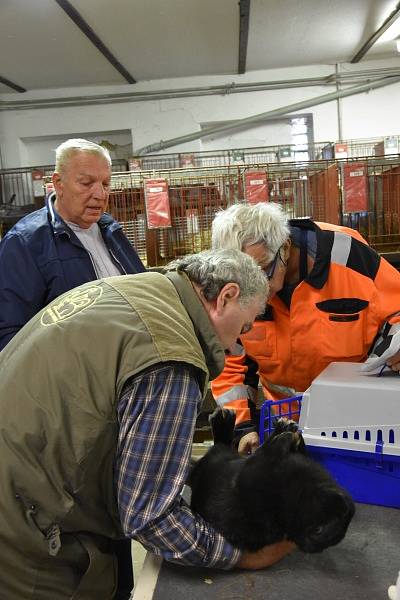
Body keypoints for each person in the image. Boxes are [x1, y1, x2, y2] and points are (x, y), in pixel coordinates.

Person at [0, 249, 294, 600]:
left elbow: (121, 434)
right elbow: (150, 517)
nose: (235, 349)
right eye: (243, 328)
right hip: (25, 533)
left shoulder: (141, 291)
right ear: (225, 297)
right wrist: (243, 555)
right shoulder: (170, 356)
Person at [211, 202, 400, 454]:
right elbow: (228, 358)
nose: (252, 288)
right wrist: (241, 426)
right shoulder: (235, 290)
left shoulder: (349, 258)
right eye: (240, 278)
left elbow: (396, 308)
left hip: (354, 426)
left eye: (261, 272)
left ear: (285, 247)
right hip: (283, 426)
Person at [0, 138, 145, 351]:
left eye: (105, 184)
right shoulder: (24, 243)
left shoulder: (110, 229)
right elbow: (10, 336)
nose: (100, 194)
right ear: (58, 183)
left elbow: (141, 287)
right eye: (86, 183)